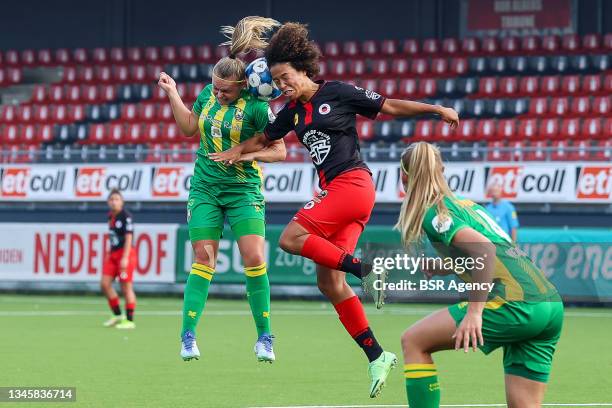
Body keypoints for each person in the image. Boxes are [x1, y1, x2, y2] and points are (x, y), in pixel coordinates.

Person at [210, 22, 459, 398]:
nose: (282, 86)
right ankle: (377, 355)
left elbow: (388, 105)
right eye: (276, 81)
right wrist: (236, 150)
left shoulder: (338, 93)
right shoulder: (292, 112)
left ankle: (368, 270)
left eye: (286, 77)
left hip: (353, 185)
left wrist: (435, 109)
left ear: (303, 69)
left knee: (292, 237)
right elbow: (265, 138)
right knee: (329, 283)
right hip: (338, 194)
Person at [396, 142, 563, 408]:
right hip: (548, 303)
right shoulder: (467, 205)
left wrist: (475, 312)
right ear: (442, 171)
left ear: (405, 176)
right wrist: (446, 266)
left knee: (413, 341)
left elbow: (485, 251)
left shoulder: (435, 212)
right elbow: (500, 250)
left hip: (515, 303)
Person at [157, 16, 286, 362]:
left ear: (242, 86)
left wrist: (243, 154)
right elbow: (188, 127)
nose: (217, 93)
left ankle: (264, 338)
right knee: (204, 258)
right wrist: (173, 94)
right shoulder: (207, 96)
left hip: (244, 190)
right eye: (214, 87)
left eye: (224, 90)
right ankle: (187, 336)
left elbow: (280, 151)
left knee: (255, 257)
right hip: (205, 188)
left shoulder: (258, 109)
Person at [101, 189, 138, 330]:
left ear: (122, 202)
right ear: (108, 202)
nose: (114, 202)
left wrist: (125, 258)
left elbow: (129, 237)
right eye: (111, 199)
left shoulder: (126, 216)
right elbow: (113, 237)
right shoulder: (110, 216)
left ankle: (129, 320)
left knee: (126, 286)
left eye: (117, 199)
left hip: (125, 254)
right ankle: (117, 315)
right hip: (113, 254)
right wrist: (109, 252)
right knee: (105, 284)